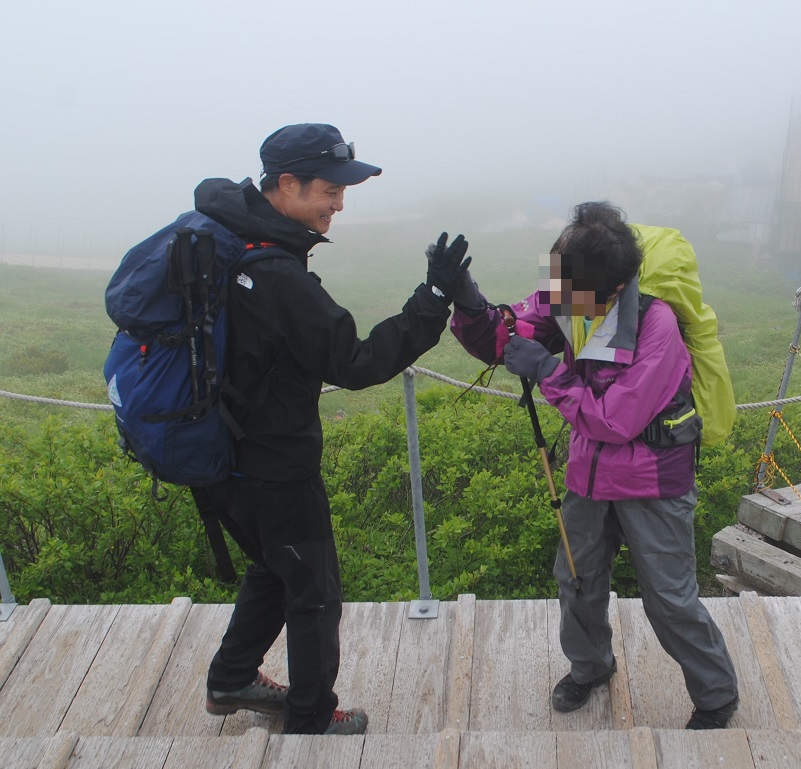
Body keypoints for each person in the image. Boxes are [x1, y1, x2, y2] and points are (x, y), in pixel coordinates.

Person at [197, 123, 471, 735]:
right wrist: (433, 296)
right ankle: (311, 720)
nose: (339, 203)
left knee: (273, 567)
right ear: (286, 184)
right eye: (329, 189)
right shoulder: (276, 276)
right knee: (314, 591)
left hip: (217, 452)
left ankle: (230, 678)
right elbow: (355, 362)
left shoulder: (225, 238)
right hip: (274, 465)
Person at [448, 201, 739, 729]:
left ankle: (716, 695)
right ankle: (591, 666)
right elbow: (507, 338)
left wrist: (547, 372)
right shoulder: (570, 288)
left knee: (670, 600)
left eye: (566, 290)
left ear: (612, 290)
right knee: (577, 579)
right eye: (555, 280)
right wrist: (469, 304)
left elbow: (615, 420)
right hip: (588, 474)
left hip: (654, 480)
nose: (557, 297)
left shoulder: (658, 326)